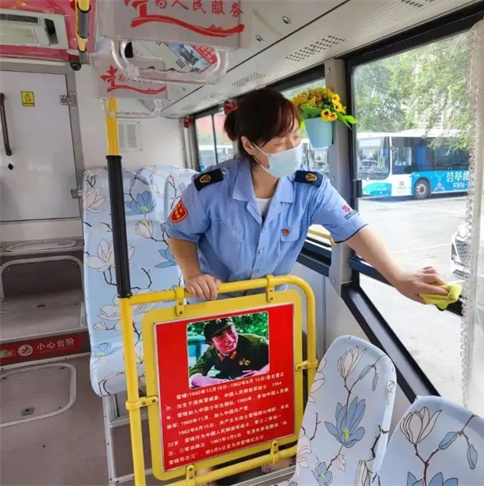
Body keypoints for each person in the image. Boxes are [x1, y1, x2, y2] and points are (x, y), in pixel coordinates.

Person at [165, 88, 448, 304]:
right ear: (249, 146)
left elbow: (353, 228)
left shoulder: (310, 189)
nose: (292, 148)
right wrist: (193, 274)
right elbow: (179, 233)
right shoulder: (211, 188)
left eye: (296, 138)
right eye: (280, 143)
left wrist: (398, 276)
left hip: (270, 304)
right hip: (214, 302)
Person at [189, 318, 269, 388]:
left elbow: (276, 355)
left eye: (230, 331)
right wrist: (205, 381)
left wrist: (262, 372)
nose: (230, 340)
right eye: (221, 337)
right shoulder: (212, 352)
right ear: (211, 343)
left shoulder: (256, 343)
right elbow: (194, 372)